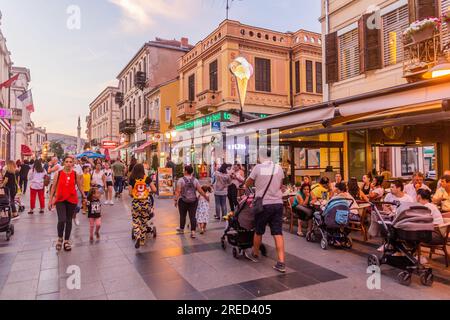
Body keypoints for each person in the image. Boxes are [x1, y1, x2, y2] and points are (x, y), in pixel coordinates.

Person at [245, 149, 286, 273]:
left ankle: (255, 254)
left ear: (260, 157)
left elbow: (247, 183)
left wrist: (257, 186)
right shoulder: (279, 168)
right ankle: (281, 262)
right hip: (278, 203)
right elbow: (281, 185)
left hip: (263, 204)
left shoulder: (258, 168)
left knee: (259, 230)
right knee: (277, 232)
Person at [49, 156, 86, 251]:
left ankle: (66, 241)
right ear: (64, 163)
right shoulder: (59, 173)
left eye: (70, 162)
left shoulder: (75, 174)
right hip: (60, 200)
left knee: (69, 220)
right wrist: (50, 200)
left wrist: (83, 195)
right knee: (61, 220)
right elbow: (53, 187)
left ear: (73, 164)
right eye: (67, 162)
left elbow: (79, 185)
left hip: (72, 200)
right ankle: (60, 238)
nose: (69, 163)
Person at [174, 165, 209, 239]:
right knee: (192, 216)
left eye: (184, 170)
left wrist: (176, 199)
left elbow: (178, 191)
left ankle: (181, 229)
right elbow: (200, 190)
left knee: (182, 215)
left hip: (183, 201)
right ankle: (193, 232)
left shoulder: (181, 180)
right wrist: (206, 197)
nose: (184, 171)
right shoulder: (195, 180)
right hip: (193, 201)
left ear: (186, 171)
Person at [129, 163, 157, 249]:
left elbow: (130, 193)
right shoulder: (147, 179)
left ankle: (137, 235)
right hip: (145, 203)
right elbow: (154, 189)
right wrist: (148, 192)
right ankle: (142, 240)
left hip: (136, 203)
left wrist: (135, 194)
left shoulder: (132, 179)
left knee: (136, 221)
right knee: (144, 222)